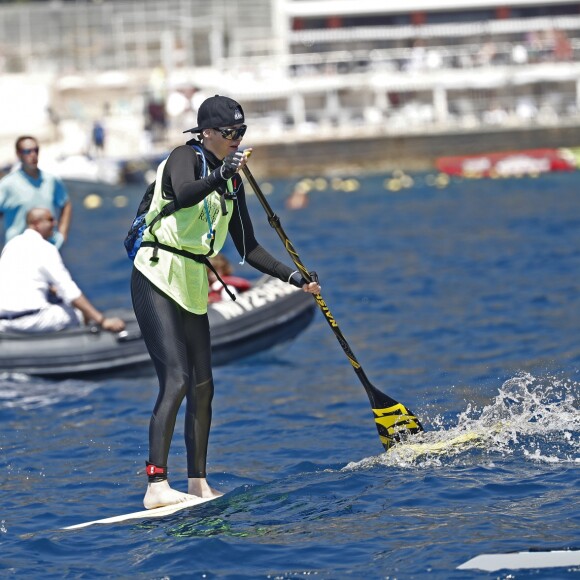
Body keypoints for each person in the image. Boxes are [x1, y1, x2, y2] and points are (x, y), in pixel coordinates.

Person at [131, 94, 321, 509]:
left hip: (194, 279)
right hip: (157, 272)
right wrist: (222, 173)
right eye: (231, 133)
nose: (237, 139)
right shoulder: (186, 156)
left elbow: (248, 247)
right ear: (209, 133)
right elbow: (182, 195)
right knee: (177, 379)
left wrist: (295, 277)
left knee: (204, 386)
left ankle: (197, 482)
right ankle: (156, 485)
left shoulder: (232, 180)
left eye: (242, 132)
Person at [0, 208, 125, 334]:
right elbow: (69, 291)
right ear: (36, 224)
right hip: (31, 321)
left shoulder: (11, 245)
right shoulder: (46, 249)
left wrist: (51, 290)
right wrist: (102, 320)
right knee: (78, 313)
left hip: (3, 321)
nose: (55, 223)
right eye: (50, 220)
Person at [0, 136, 72, 249]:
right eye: (28, 151)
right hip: (19, 250)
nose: (33, 155)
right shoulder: (7, 184)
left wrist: (62, 235)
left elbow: (65, 203)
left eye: (36, 150)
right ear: (18, 154)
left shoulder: (51, 180)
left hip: (48, 247)